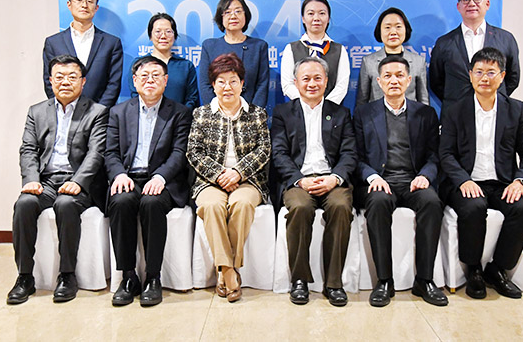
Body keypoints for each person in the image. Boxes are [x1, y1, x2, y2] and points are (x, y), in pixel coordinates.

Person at [7, 55, 108, 305]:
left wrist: (78, 181)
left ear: (83, 81)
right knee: (24, 204)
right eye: (59, 77)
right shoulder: (37, 111)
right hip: (46, 182)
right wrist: (31, 179)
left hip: (79, 182)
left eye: (72, 77)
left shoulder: (97, 112)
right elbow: (28, 149)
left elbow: (96, 153)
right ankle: (24, 277)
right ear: (50, 81)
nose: (65, 82)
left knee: (66, 204)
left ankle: (67, 275)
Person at [440, 47, 523, 300]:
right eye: (479, 72)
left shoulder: (516, 109)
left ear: (502, 76)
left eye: (491, 72)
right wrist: (463, 180)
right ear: (470, 75)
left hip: (503, 182)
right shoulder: (454, 110)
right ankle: (473, 269)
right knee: (473, 207)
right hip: (466, 181)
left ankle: (497, 269)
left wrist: (521, 181)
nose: (485, 78)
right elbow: (446, 154)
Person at [354, 56, 447, 307]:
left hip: (413, 181)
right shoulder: (364, 113)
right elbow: (356, 156)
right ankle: (384, 281)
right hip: (380, 181)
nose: (393, 80)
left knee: (432, 202)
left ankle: (424, 280)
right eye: (387, 76)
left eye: (399, 76)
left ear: (409, 80)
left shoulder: (426, 113)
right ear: (378, 81)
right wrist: (372, 176)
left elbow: (434, 155)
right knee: (378, 202)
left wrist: (425, 175)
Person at [106, 56, 193, 307]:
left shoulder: (179, 113)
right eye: (144, 76)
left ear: (166, 81)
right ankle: (129, 277)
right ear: (134, 81)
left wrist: (160, 176)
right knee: (121, 201)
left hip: (162, 180)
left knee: (152, 203)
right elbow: (110, 152)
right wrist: (119, 174)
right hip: (129, 177)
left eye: (156, 75)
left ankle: (153, 277)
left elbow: (179, 153)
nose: (150, 80)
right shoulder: (119, 112)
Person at [271, 56, 356, 307]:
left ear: (327, 81)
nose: (312, 84)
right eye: (306, 78)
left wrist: (334, 178)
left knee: (340, 206)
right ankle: (299, 280)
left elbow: (350, 153)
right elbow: (279, 153)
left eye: (317, 78)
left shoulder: (340, 113)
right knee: (300, 207)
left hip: (332, 179)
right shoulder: (283, 113)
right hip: (299, 181)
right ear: (296, 82)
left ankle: (334, 283)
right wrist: (299, 180)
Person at [187, 53, 270, 303]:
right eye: (221, 82)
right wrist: (220, 174)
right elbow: (193, 152)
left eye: (233, 81)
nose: (227, 87)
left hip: (248, 180)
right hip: (210, 181)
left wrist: (238, 172)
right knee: (212, 206)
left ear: (242, 84)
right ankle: (229, 270)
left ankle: (225, 271)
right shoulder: (202, 114)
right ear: (213, 85)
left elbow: (264, 149)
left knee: (242, 204)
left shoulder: (257, 114)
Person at [429, 0, 520, 114]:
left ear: (487, 4)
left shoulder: (505, 39)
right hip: (455, 114)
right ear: (458, 6)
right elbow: (436, 81)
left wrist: (490, 96)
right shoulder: (444, 43)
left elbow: (512, 77)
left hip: (494, 113)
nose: (471, 4)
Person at [43, 0, 123, 107]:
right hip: (65, 112)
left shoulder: (111, 43)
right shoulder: (53, 43)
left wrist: (99, 112)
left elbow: (114, 84)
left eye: (89, 1)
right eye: (79, 0)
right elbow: (49, 81)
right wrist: (64, 108)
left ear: (96, 7)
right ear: (69, 5)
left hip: (100, 114)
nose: (84, 5)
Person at [198, 0, 270, 107]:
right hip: (218, 113)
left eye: (238, 11)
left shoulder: (258, 46)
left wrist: (254, 113)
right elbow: (205, 84)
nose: (233, 16)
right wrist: (217, 111)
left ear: (245, 15)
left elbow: (262, 84)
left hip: (250, 112)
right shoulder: (210, 46)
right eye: (227, 12)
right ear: (220, 17)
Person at [280, 0, 350, 105]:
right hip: (299, 110)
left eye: (322, 13)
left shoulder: (339, 50)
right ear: (303, 18)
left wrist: (324, 107)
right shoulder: (291, 49)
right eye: (311, 13)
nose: (316, 18)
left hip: (332, 111)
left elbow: (341, 86)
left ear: (328, 18)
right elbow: (287, 84)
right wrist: (306, 104)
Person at [356, 7, 429, 108]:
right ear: (379, 31)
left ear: (406, 30)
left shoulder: (418, 61)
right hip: (377, 116)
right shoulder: (368, 62)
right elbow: (362, 101)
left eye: (398, 27)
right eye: (387, 27)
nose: (393, 32)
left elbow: (423, 100)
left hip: (411, 117)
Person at [145, 13, 199, 109]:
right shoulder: (140, 65)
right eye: (158, 31)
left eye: (168, 31)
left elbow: (192, 98)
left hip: (180, 117)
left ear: (174, 36)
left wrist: (180, 115)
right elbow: (136, 97)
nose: (163, 36)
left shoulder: (186, 66)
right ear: (150, 36)